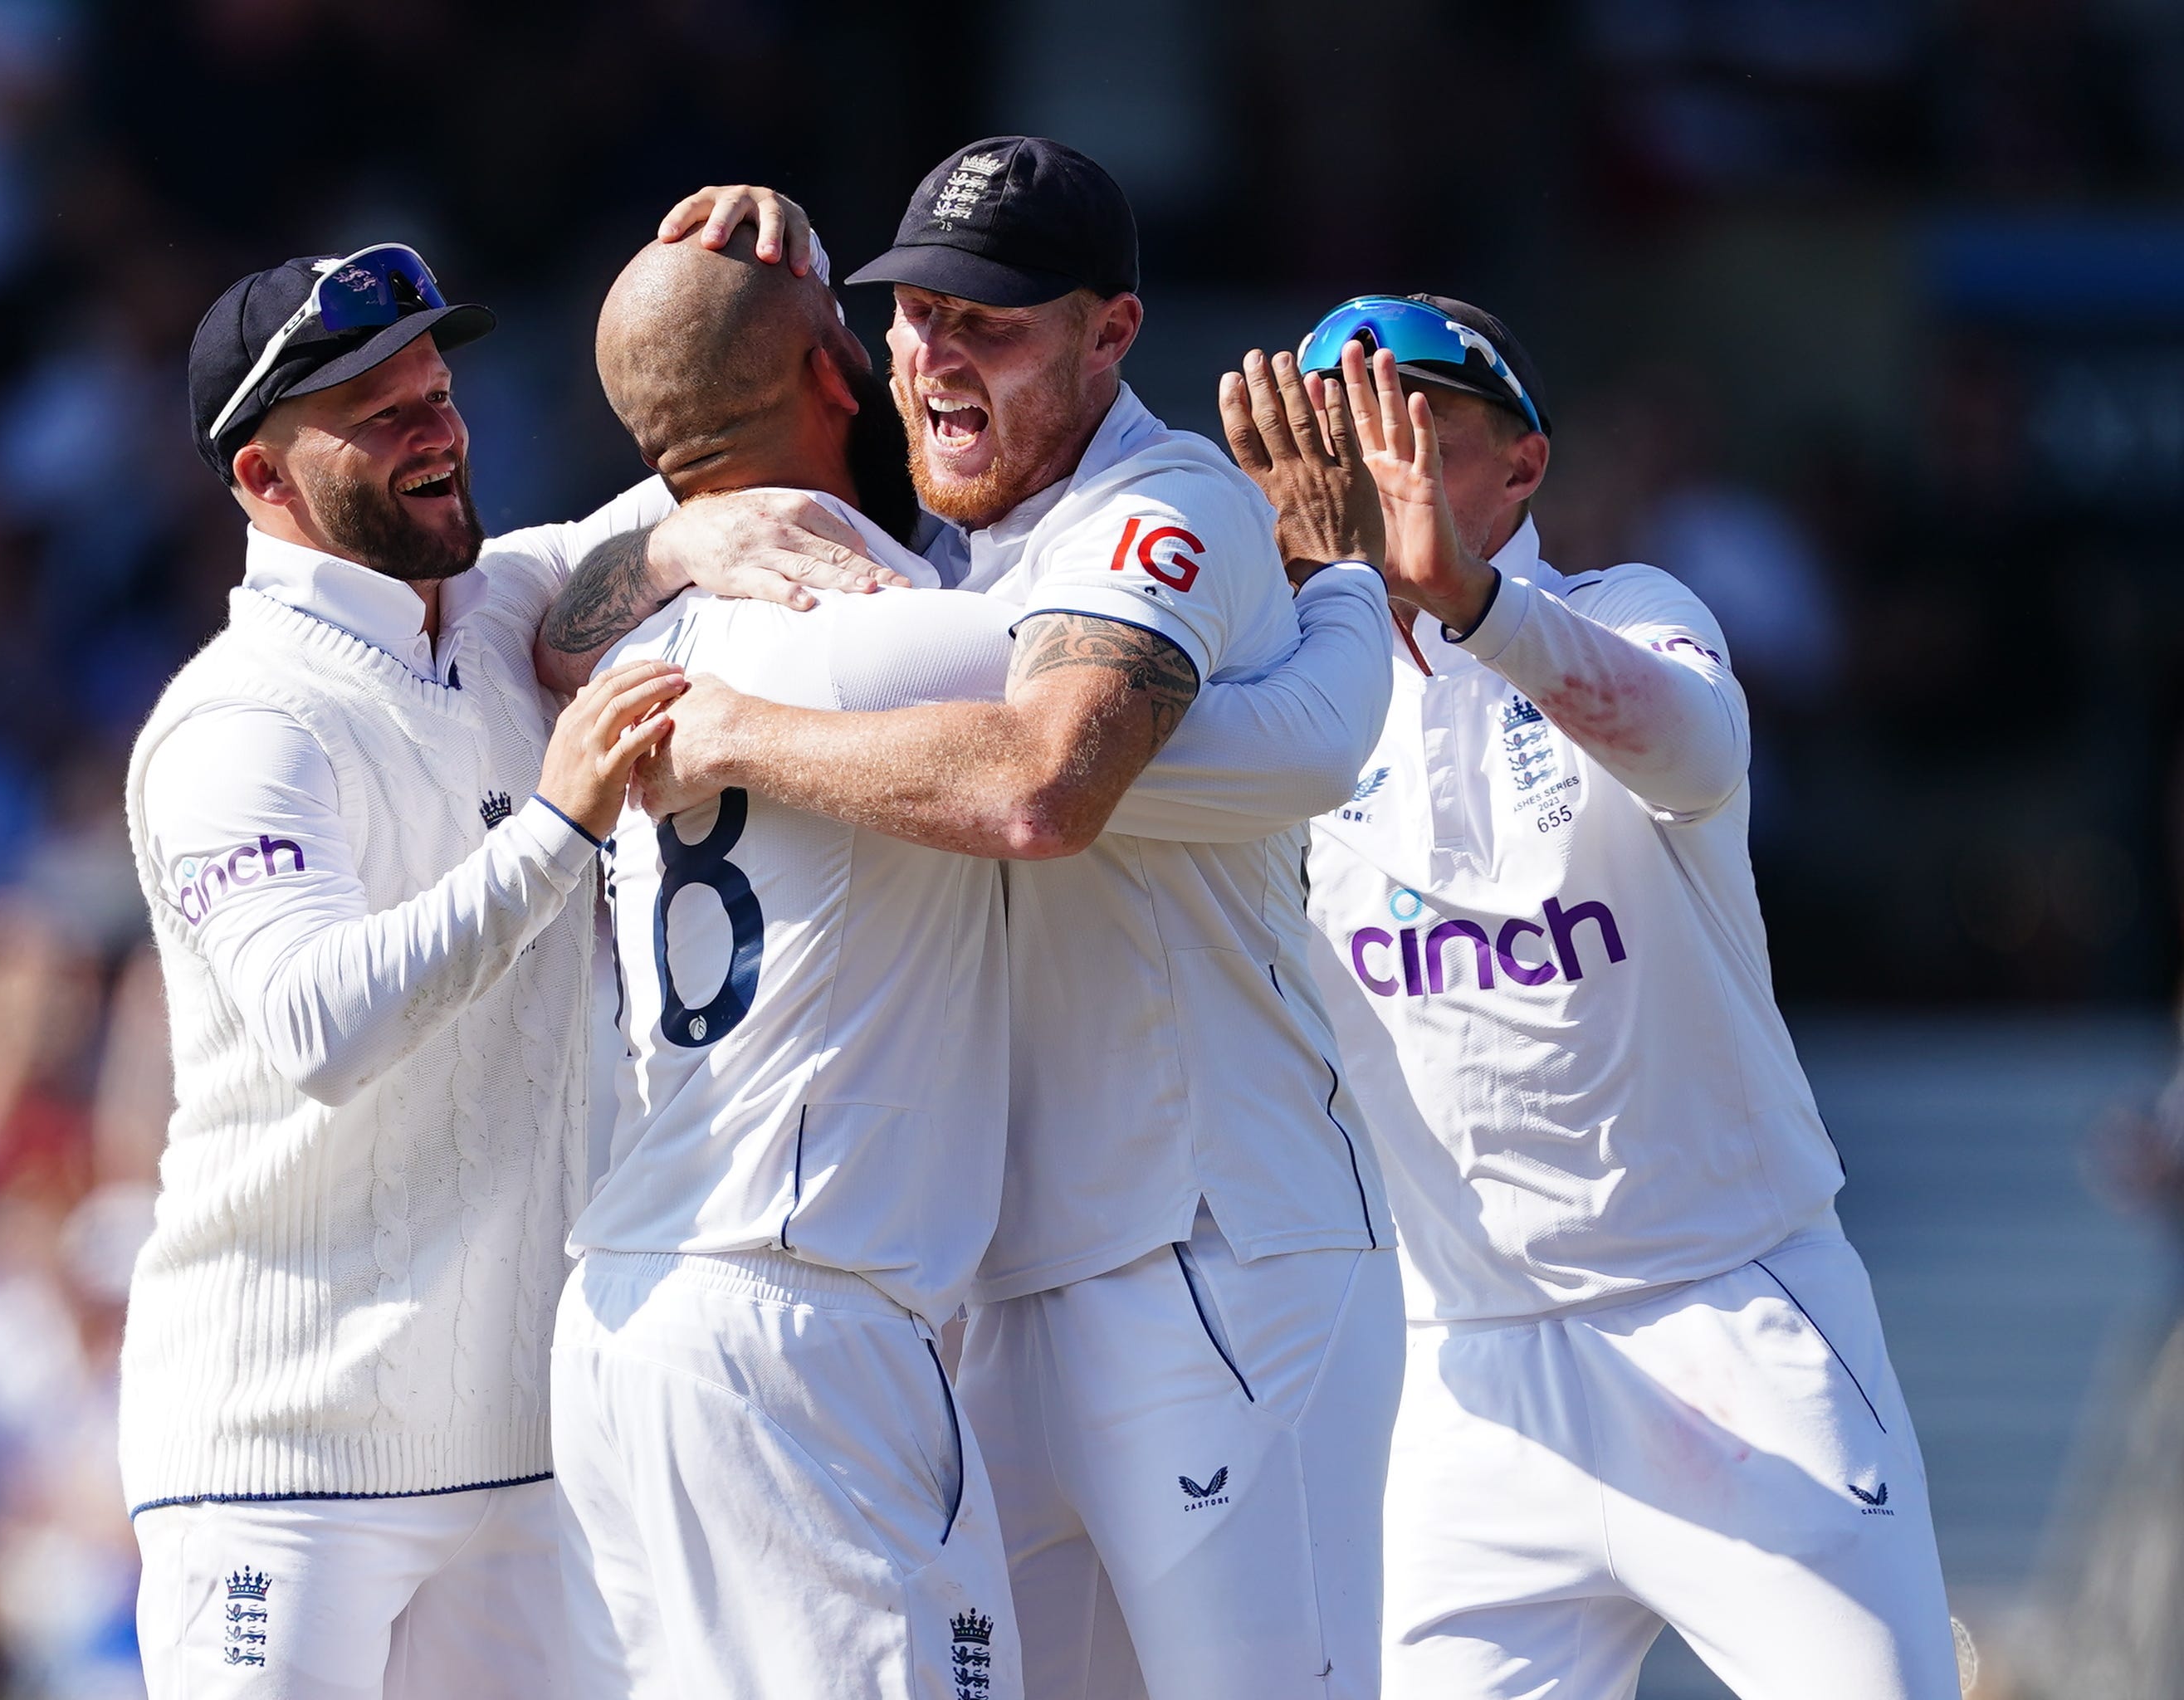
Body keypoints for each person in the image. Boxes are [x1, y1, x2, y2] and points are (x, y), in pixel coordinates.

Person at [619, 141, 1405, 1700]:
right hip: (1004, 1279)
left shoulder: (1165, 500)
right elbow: (543, 606)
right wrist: (674, 525)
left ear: (1113, 333)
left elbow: (1048, 787)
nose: (935, 354)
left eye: (993, 320)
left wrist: (722, 737)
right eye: (909, 313)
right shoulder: (930, 555)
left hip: (1215, 1242)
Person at [1234, 297, 1960, 1697]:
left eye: (1415, 430)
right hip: (1466, 1372)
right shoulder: (1284, 691)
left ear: (1524, 469)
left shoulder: (1627, 609)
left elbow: (1695, 752)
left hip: (1728, 1314)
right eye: (1337, 437)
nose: (1371, 471)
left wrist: (1475, 607)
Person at [117, 245, 687, 1700]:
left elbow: (699, 485)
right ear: (262, 479)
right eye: (377, 415)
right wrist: (560, 826)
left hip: (525, 1461)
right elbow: (321, 1020)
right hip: (279, 1469)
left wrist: (765, 255)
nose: (436, 429)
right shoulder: (237, 724)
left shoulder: (501, 607)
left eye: (437, 391)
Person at [548, 219, 1028, 1700]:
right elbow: (1099, 708)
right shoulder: (894, 636)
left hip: (628, 1318)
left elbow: (545, 624)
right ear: (837, 370)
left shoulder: (623, 642)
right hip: (801, 1312)